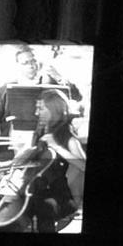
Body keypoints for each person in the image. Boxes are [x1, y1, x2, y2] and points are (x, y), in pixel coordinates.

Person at [20, 89, 87, 233]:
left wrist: (57, 147)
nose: (37, 113)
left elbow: (84, 165)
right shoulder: (41, 133)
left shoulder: (67, 137)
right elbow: (35, 166)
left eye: (41, 108)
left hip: (61, 195)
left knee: (43, 208)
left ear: (54, 110)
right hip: (38, 190)